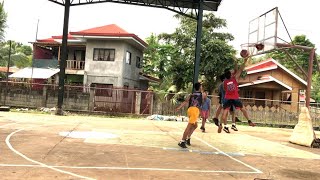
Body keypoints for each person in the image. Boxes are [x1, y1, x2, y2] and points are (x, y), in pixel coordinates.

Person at [219, 57, 255, 133]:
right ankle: (249, 121)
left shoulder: (224, 82)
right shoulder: (234, 78)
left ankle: (221, 125)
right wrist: (244, 61)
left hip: (227, 97)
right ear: (230, 74)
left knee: (225, 111)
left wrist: (235, 64)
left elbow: (225, 90)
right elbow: (240, 69)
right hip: (235, 97)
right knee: (243, 109)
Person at [176, 82, 203, 148]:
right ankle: (182, 141)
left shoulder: (191, 94)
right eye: (201, 86)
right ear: (199, 87)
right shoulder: (202, 94)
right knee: (189, 126)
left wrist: (179, 107)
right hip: (194, 110)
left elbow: (185, 101)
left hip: (190, 109)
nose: (202, 87)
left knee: (195, 125)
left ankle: (188, 138)